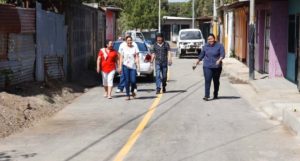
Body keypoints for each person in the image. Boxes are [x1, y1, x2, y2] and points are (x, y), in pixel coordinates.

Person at [194, 33, 225, 101]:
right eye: (208, 39)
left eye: (211, 39)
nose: (210, 40)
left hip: (217, 67)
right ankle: (206, 95)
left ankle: (215, 93)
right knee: (207, 80)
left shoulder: (219, 45)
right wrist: (197, 61)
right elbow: (202, 55)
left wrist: (219, 60)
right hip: (207, 66)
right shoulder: (205, 46)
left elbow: (222, 54)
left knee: (216, 81)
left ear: (214, 39)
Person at [119, 36, 140, 100]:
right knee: (127, 81)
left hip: (133, 67)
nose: (129, 41)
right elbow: (121, 57)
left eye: (130, 40)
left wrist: (138, 65)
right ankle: (127, 95)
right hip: (125, 66)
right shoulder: (123, 48)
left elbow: (137, 57)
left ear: (132, 41)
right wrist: (120, 66)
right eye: (128, 40)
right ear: (126, 41)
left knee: (133, 81)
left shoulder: (135, 48)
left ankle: (132, 90)